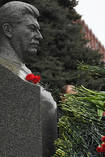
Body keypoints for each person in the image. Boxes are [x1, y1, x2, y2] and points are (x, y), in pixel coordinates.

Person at [0, 1, 57, 156]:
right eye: (32, 29)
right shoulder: (5, 74)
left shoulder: (23, 72)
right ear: (8, 30)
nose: (39, 36)